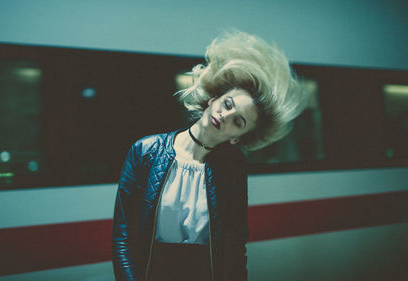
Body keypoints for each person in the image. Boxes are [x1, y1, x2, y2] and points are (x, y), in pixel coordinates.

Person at [112, 30, 307, 281]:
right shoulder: (145, 151)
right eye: (227, 104)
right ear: (214, 99)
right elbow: (123, 239)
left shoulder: (232, 167)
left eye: (238, 121)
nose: (225, 116)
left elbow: (236, 245)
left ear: (238, 137)